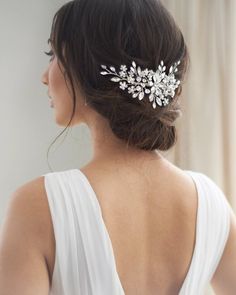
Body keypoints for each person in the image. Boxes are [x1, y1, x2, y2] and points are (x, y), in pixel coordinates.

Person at [0, 0, 236, 294]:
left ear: (88, 68)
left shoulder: (37, 205)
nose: (45, 76)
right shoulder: (213, 205)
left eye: (53, 55)